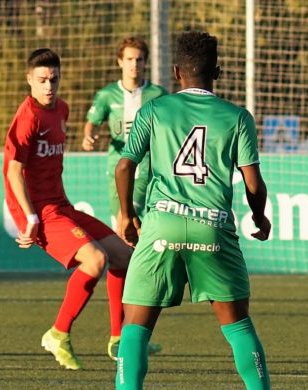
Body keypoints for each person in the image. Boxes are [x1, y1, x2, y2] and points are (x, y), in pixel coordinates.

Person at [114, 32, 271, 389]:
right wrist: (259, 217)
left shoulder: (154, 109)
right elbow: (253, 183)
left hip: (161, 225)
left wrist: (126, 214)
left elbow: (124, 168)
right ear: (217, 70)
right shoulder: (237, 117)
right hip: (212, 226)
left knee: (135, 326)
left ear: (175, 72)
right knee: (238, 325)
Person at [3, 48, 159, 370]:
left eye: (54, 79)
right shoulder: (28, 116)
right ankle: (58, 333)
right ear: (29, 80)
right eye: (42, 80)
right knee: (95, 259)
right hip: (38, 212)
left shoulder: (62, 109)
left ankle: (118, 340)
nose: (49, 86)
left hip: (61, 205)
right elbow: (13, 171)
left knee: (126, 257)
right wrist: (29, 217)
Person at [82, 37, 167, 228]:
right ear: (120, 61)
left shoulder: (158, 94)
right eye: (129, 59)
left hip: (145, 166)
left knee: (126, 218)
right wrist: (89, 136)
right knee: (119, 225)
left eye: (139, 59)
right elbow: (92, 123)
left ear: (145, 62)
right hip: (116, 166)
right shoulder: (107, 94)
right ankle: (129, 257)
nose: (134, 64)